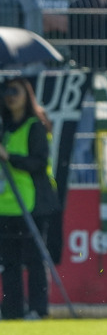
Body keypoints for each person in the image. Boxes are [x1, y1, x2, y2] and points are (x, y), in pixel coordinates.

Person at [0, 77, 59, 321]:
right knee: (9, 264)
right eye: (6, 91)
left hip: (32, 205)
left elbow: (38, 162)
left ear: (26, 95)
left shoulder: (35, 126)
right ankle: (12, 310)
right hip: (6, 205)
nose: (10, 95)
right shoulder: (4, 127)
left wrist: (9, 156)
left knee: (35, 260)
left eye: (15, 91)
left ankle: (38, 309)